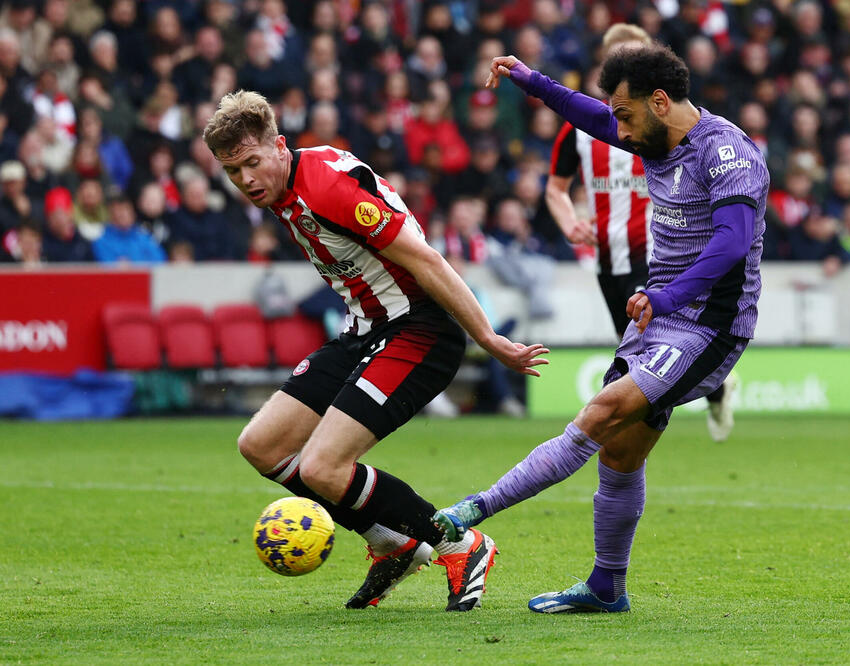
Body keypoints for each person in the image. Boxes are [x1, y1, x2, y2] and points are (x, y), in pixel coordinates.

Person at [435, 44, 768, 613]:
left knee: (601, 414)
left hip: (708, 324)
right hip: (658, 316)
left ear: (659, 102)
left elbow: (733, 243)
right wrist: (530, 80)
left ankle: (470, 511)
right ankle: (606, 587)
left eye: (626, 115)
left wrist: (667, 295)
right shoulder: (652, 135)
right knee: (619, 452)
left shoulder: (726, 152)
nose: (619, 129)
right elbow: (589, 115)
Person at [203, 90, 548, 611]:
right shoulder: (285, 189)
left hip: (419, 330)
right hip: (365, 330)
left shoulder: (329, 188)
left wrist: (489, 338)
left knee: (321, 467)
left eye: (252, 162)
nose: (246, 179)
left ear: (279, 146)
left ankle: (460, 543)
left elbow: (428, 261)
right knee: (262, 445)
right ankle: (393, 543)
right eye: (233, 171)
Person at [546, 24, 739, 443]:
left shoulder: (661, 125)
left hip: (655, 253)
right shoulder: (583, 128)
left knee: (645, 351)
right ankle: (715, 387)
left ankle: (622, 441)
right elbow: (555, 188)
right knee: (633, 347)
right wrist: (569, 221)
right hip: (607, 256)